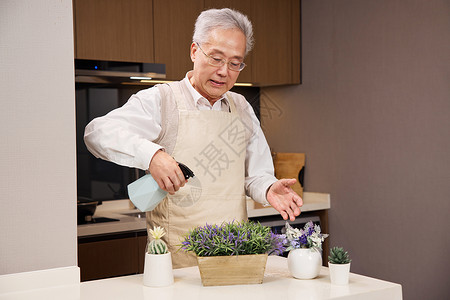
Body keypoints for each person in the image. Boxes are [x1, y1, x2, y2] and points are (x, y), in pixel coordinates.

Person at [84, 8, 303, 268]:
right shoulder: (162, 100)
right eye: (216, 58)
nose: (224, 71)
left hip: (234, 254)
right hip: (179, 261)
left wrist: (268, 188)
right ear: (194, 51)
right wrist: (152, 156)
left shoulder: (241, 107)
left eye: (235, 63)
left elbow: (254, 174)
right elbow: (97, 132)